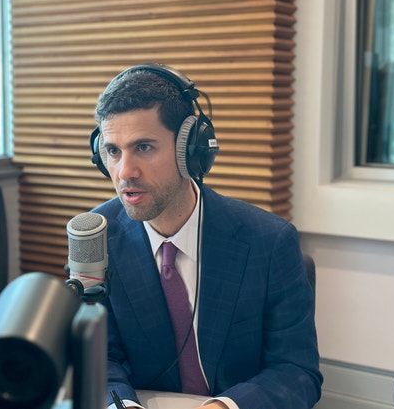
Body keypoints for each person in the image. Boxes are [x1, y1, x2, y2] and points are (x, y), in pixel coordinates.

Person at [89, 64, 322, 409]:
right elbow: (98, 358)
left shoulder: (270, 242)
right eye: (113, 151)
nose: (125, 172)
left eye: (144, 147)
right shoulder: (95, 238)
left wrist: (224, 406)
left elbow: (297, 371)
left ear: (190, 150)